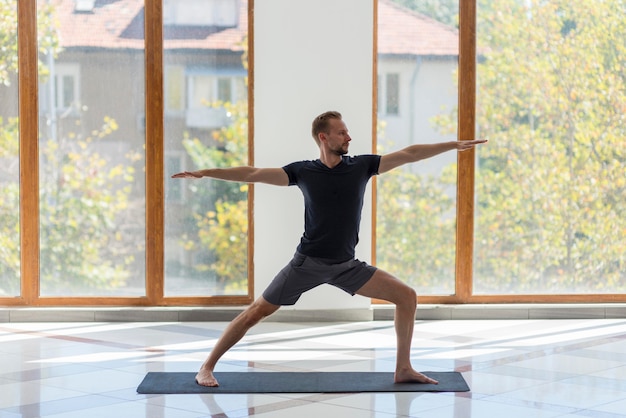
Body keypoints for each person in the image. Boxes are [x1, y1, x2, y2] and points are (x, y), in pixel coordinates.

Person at [172, 110, 487, 387]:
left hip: (346, 266)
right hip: (306, 263)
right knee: (257, 311)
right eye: (342, 132)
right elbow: (252, 174)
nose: (349, 137)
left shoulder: (362, 166)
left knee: (407, 296)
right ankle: (206, 366)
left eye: (347, 132)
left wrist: (451, 145)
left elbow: (410, 153)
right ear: (324, 137)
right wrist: (205, 172)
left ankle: (403, 368)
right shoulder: (303, 172)